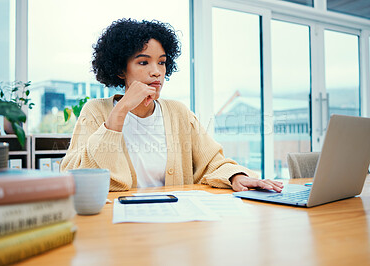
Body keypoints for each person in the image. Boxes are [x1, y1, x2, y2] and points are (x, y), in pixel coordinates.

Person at [60, 18, 283, 192]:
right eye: (143, 62)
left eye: (162, 62)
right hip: (117, 224)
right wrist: (121, 111)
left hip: (175, 223)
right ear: (120, 70)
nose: (156, 71)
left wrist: (237, 177)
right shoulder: (96, 111)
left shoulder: (178, 113)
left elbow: (212, 162)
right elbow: (75, 173)